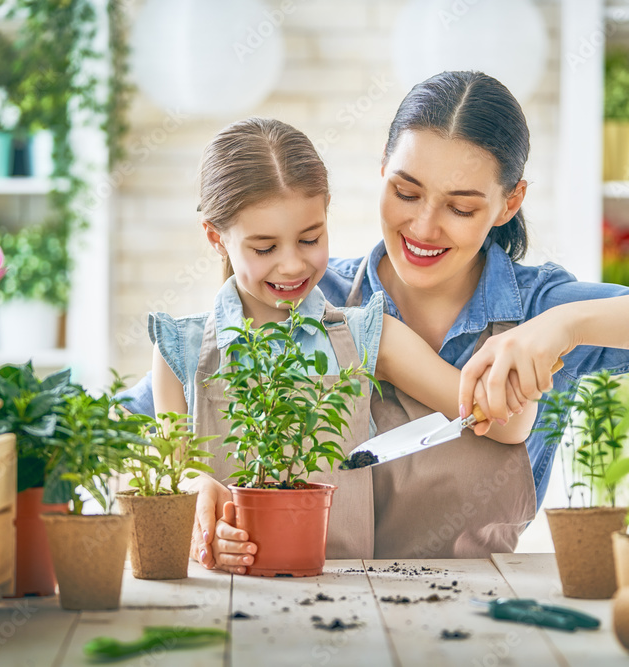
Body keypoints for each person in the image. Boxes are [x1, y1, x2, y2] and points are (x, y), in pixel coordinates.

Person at [131, 71, 629, 574]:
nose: (425, 227)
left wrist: (568, 325)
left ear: (508, 202)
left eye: (461, 207)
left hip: (474, 619)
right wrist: (187, 493)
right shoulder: (307, 296)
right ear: (380, 172)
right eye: (406, 193)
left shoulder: (539, 308)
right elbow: (153, 426)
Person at [150, 117, 538, 569]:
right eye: (264, 248)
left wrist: (521, 369)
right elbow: (174, 479)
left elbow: (507, 426)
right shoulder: (179, 350)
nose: (292, 264)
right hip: (224, 605)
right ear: (216, 238)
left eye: (310, 238)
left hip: (348, 602)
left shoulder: (369, 337)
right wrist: (197, 492)